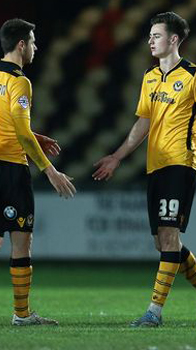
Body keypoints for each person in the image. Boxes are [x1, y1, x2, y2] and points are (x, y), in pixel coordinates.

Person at [92, 12, 196, 327]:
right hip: (155, 166)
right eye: (150, 35)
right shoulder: (150, 77)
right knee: (164, 243)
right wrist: (117, 156)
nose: (150, 40)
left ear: (174, 39)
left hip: (181, 163)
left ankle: (154, 312)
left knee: (169, 238)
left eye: (156, 35)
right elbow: (144, 122)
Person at [0, 18, 76, 326]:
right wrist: (50, 171)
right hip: (11, 169)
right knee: (21, 240)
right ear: (21, 45)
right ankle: (22, 314)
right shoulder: (20, 81)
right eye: (32, 42)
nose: (35, 47)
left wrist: (35, 136)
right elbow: (18, 128)